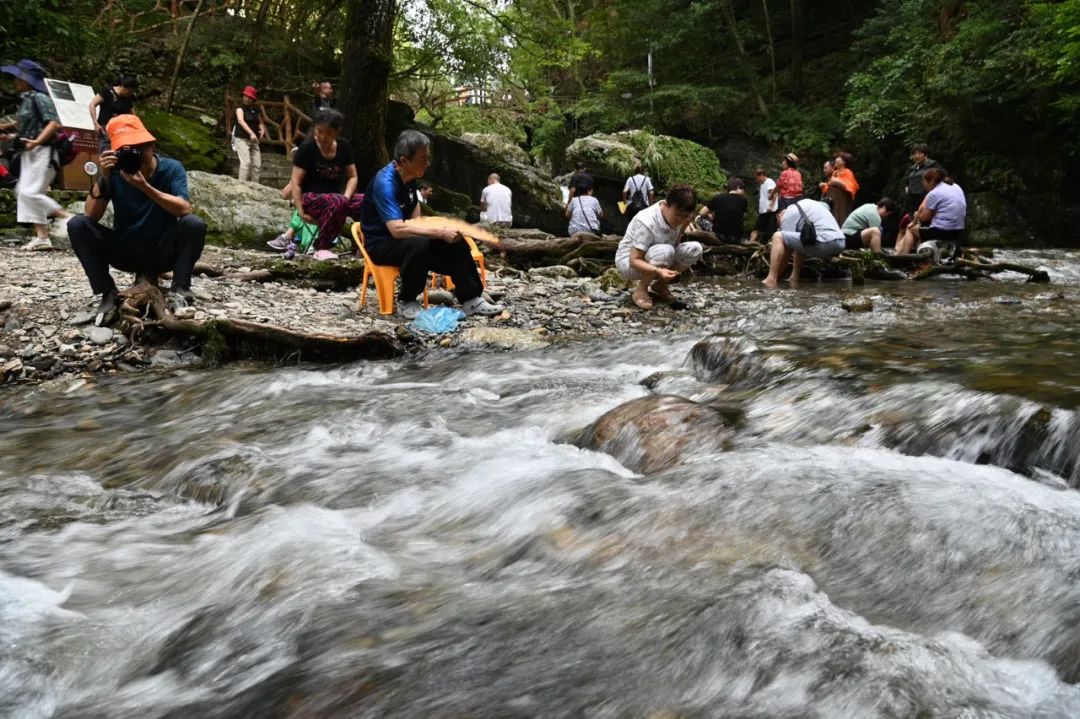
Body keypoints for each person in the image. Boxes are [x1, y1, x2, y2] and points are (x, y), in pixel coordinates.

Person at [67, 114, 206, 324]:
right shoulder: (113, 172)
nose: (136, 156)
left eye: (139, 148)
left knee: (194, 223)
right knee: (77, 224)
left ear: (152, 146)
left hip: (163, 250)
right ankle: (107, 292)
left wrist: (145, 187)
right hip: (126, 250)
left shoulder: (171, 168)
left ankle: (181, 288)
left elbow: (184, 209)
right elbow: (91, 216)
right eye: (127, 150)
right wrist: (104, 176)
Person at [359, 129, 504, 320]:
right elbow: (396, 230)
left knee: (455, 240)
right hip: (381, 244)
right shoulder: (385, 183)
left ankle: (471, 299)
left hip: (405, 239)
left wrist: (444, 231)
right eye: (422, 159)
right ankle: (407, 300)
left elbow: (415, 218)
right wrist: (437, 233)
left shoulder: (409, 179)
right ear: (404, 161)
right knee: (420, 243)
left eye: (428, 158)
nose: (427, 164)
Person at [0, 59, 72, 251]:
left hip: (45, 151)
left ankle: (68, 218)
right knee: (23, 192)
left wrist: (38, 141)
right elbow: (24, 124)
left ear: (26, 79)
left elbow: (54, 123)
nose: (15, 81)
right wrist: (7, 129)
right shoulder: (26, 100)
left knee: (29, 192)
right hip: (29, 152)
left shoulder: (40, 98)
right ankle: (42, 236)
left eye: (18, 77)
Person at [615, 184, 702, 310]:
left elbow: (676, 240)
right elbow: (634, 260)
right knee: (665, 251)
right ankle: (641, 290)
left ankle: (660, 285)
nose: (681, 220)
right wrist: (658, 271)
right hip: (628, 262)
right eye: (678, 214)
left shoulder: (685, 218)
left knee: (695, 249)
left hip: (660, 255)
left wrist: (669, 265)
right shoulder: (646, 221)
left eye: (686, 216)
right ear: (666, 205)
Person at [289, 109, 362, 261]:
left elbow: (353, 176)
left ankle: (362, 245)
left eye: (328, 133)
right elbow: (295, 183)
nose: (322, 137)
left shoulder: (344, 147)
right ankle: (322, 247)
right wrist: (301, 212)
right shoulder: (307, 148)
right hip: (311, 199)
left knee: (368, 201)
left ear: (337, 132)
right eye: (319, 131)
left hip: (338, 199)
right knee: (336, 201)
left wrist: (346, 198)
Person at [761, 199, 845, 289]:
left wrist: (778, 276)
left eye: (779, 225)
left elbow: (786, 251)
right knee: (799, 238)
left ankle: (771, 278)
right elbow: (796, 243)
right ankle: (794, 278)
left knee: (777, 236)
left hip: (824, 242)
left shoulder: (788, 215)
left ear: (779, 217)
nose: (780, 227)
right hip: (840, 242)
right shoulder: (806, 205)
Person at [896, 169, 966, 254]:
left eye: (924, 181)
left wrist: (916, 216)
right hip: (958, 231)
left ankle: (904, 256)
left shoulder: (934, 193)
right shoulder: (956, 186)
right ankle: (903, 252)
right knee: (921, 229)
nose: (923, 185)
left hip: (942, 231)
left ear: (932, 181)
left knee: (911, 228)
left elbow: (924, 218)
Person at [89, 75, 138, 151]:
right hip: (105, 128)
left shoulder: (128, 98)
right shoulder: (107, 91)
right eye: (129, 91)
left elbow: (134, 116)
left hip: (120, 130)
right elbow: (92, 104)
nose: (130, 94)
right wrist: (95, 123)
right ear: (122, 86)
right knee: (106, 151)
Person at [233, 86, 266, 183]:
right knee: (246, 162)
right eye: (246, 96)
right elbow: (241, 121)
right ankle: (242, 185)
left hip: (254, 140)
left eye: (249, 97)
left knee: (257, 164)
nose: (247, 98)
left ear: (253, 99)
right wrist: (251, 133)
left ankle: (255, 186)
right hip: (241, 138)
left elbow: (260, 122)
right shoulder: (239, 108)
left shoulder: (256, 110)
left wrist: (262, 129)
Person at [904, 143, 946, 214]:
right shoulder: (912, 169)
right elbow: (906, 182)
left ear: (925, 155)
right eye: (914, 154)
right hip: (912, 201)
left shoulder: (933, 165)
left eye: (920, 153)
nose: (916, 156)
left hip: (927, 200)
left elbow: (944, 177)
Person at [704, 177, 748, 243]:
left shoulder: (718, 197)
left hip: (718, 235)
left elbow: (701, 213)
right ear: (738, 187)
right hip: (735, 238)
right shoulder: (744, 200)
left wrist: (710, 216)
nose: (743, 192)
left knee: (700, 219)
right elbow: (740, 216)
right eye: (743, 190)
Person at [824, 152, 859, 225]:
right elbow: (829, 185)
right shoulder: (835, 172)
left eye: (839, 158)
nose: (836, 159)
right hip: (833, 199)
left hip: (842, 200)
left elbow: (851, 187)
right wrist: (825, 185)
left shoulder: (848, 172)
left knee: (840, 219)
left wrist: (837, 181)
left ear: (844, 162)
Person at [749, 169, 777, 244]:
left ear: (762, 175)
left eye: (757, 178)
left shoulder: (769, 182)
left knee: (769, 231)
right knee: (756, 228)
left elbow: (774, 194)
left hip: (770, 211)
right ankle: (750, 243)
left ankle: (768, 246)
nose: (756, 180)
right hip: (763, 211)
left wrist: (770, 206)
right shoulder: (762, 184)